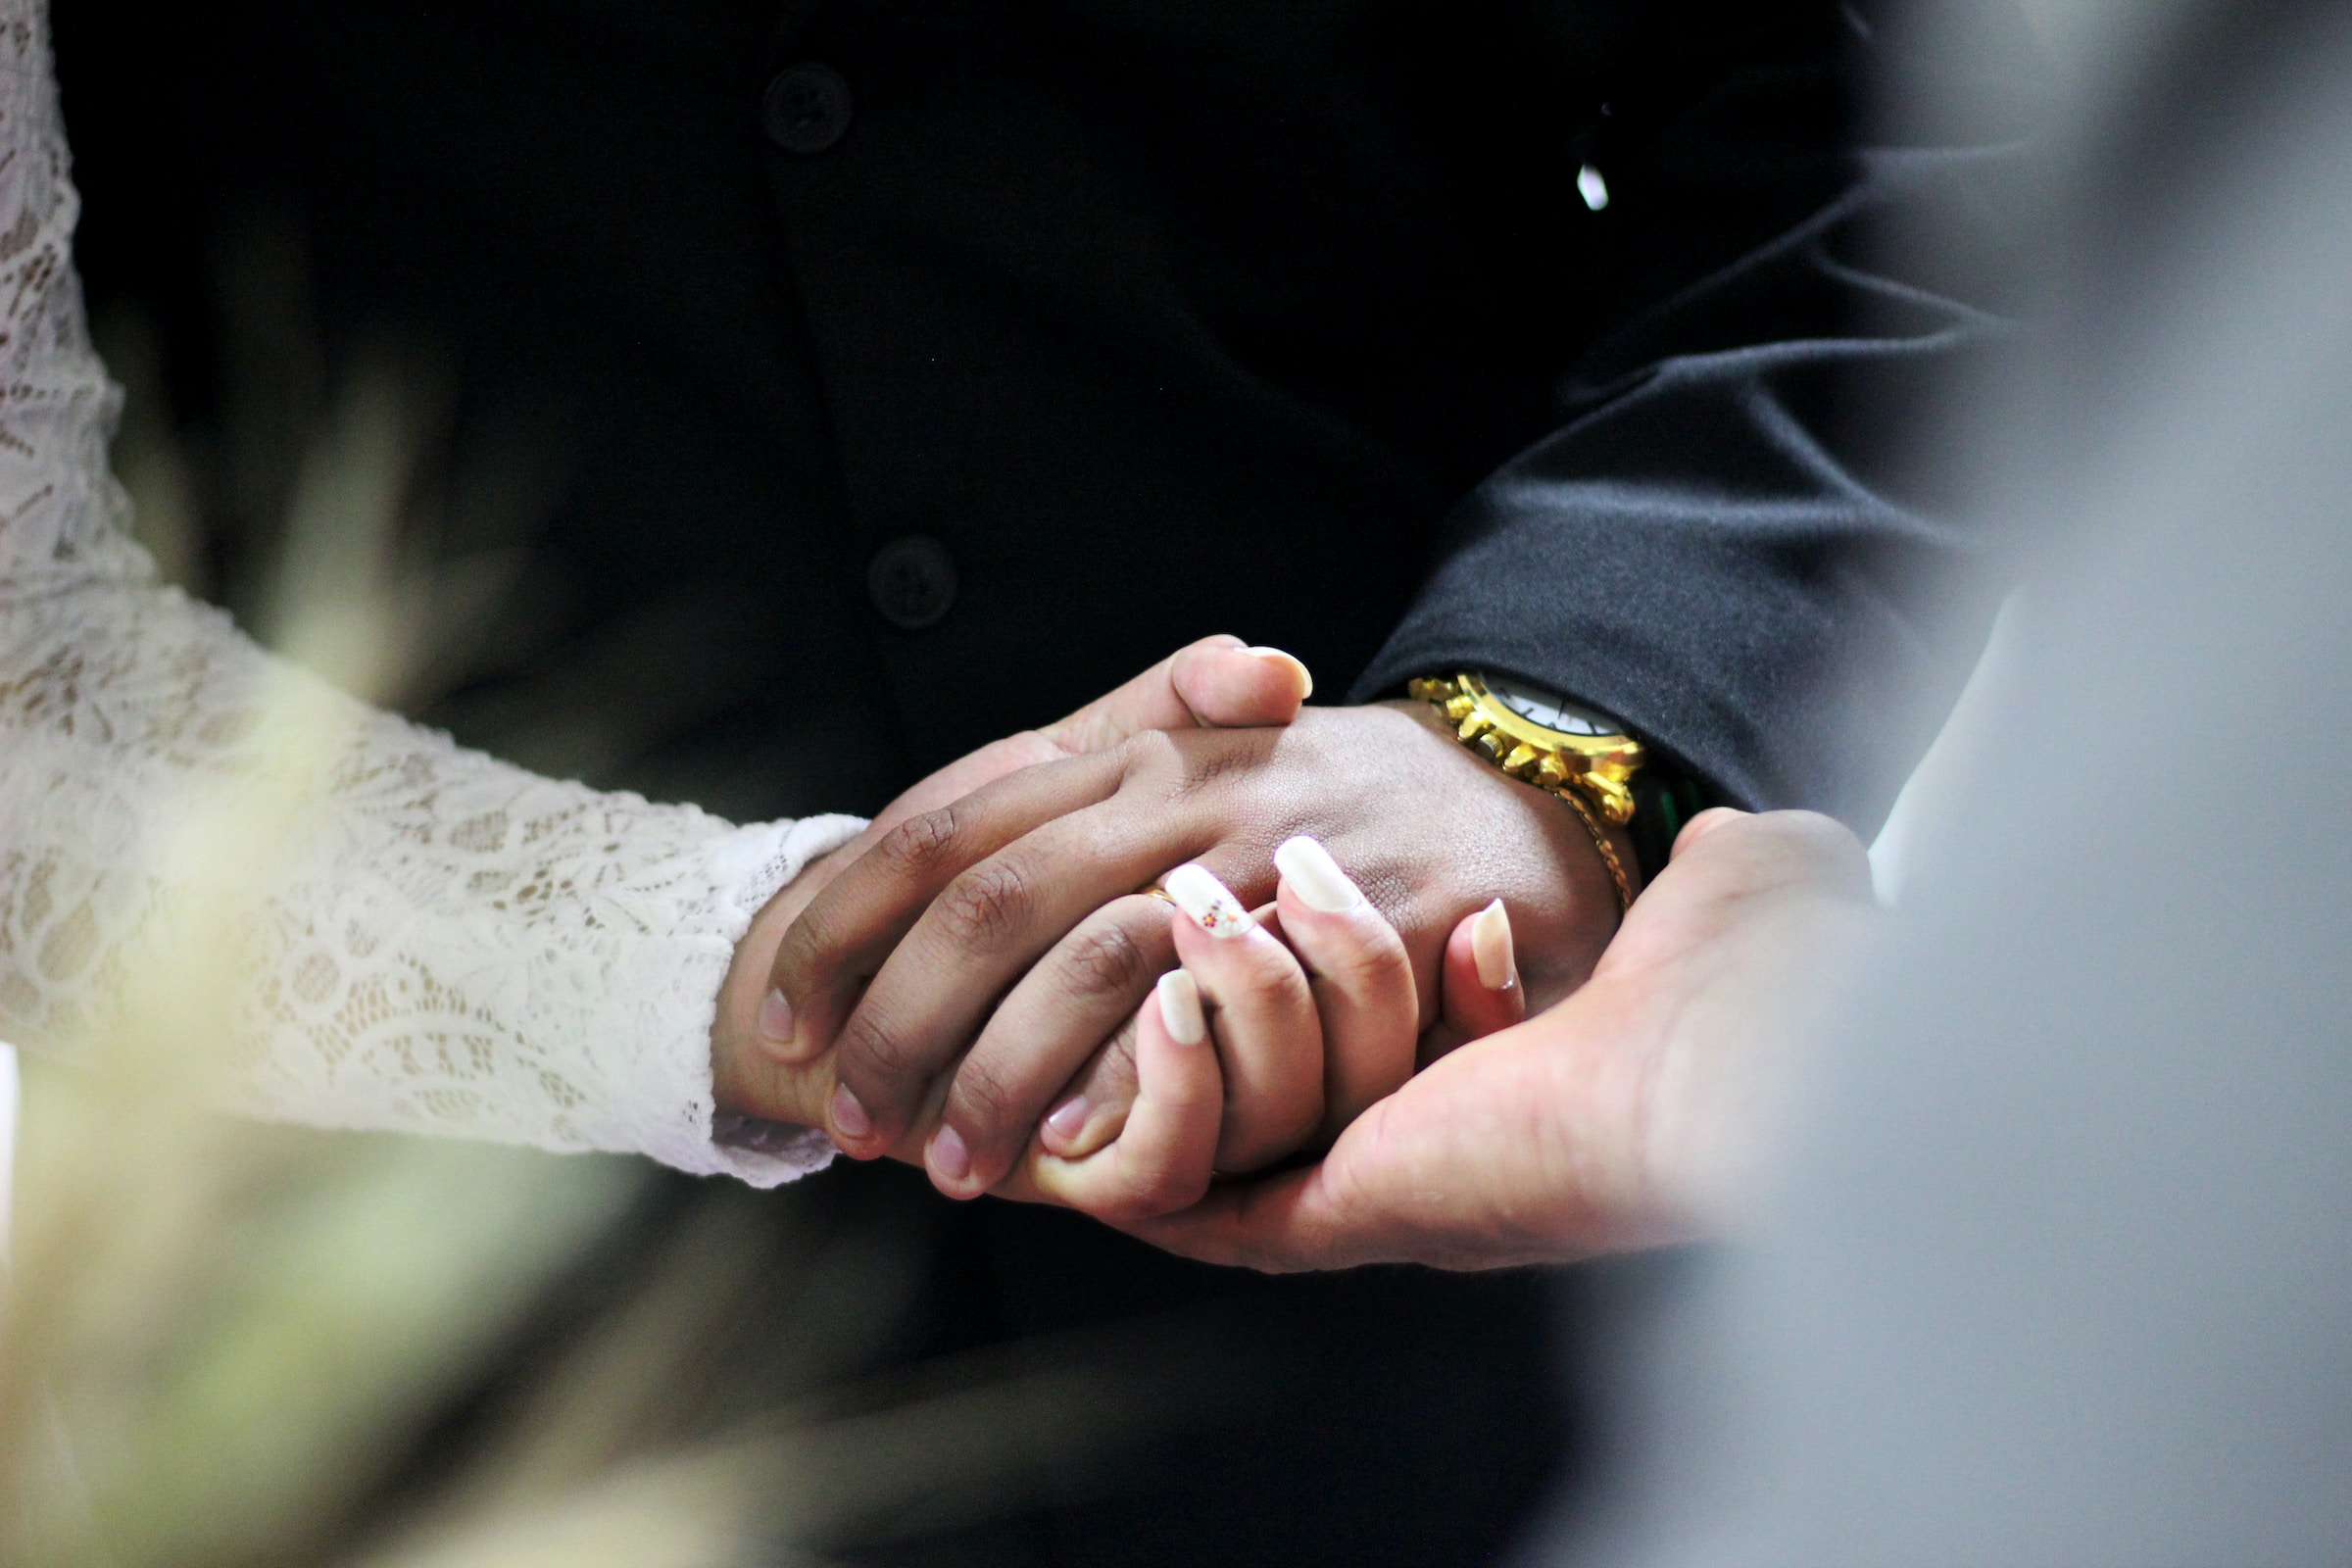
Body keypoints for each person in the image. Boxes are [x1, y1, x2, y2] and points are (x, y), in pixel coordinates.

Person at [14, 0, 2034, 1558]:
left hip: (1490, 1235)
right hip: (459, 1367)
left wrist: (1538, 744)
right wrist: (740, 967)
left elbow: (1895, 153)